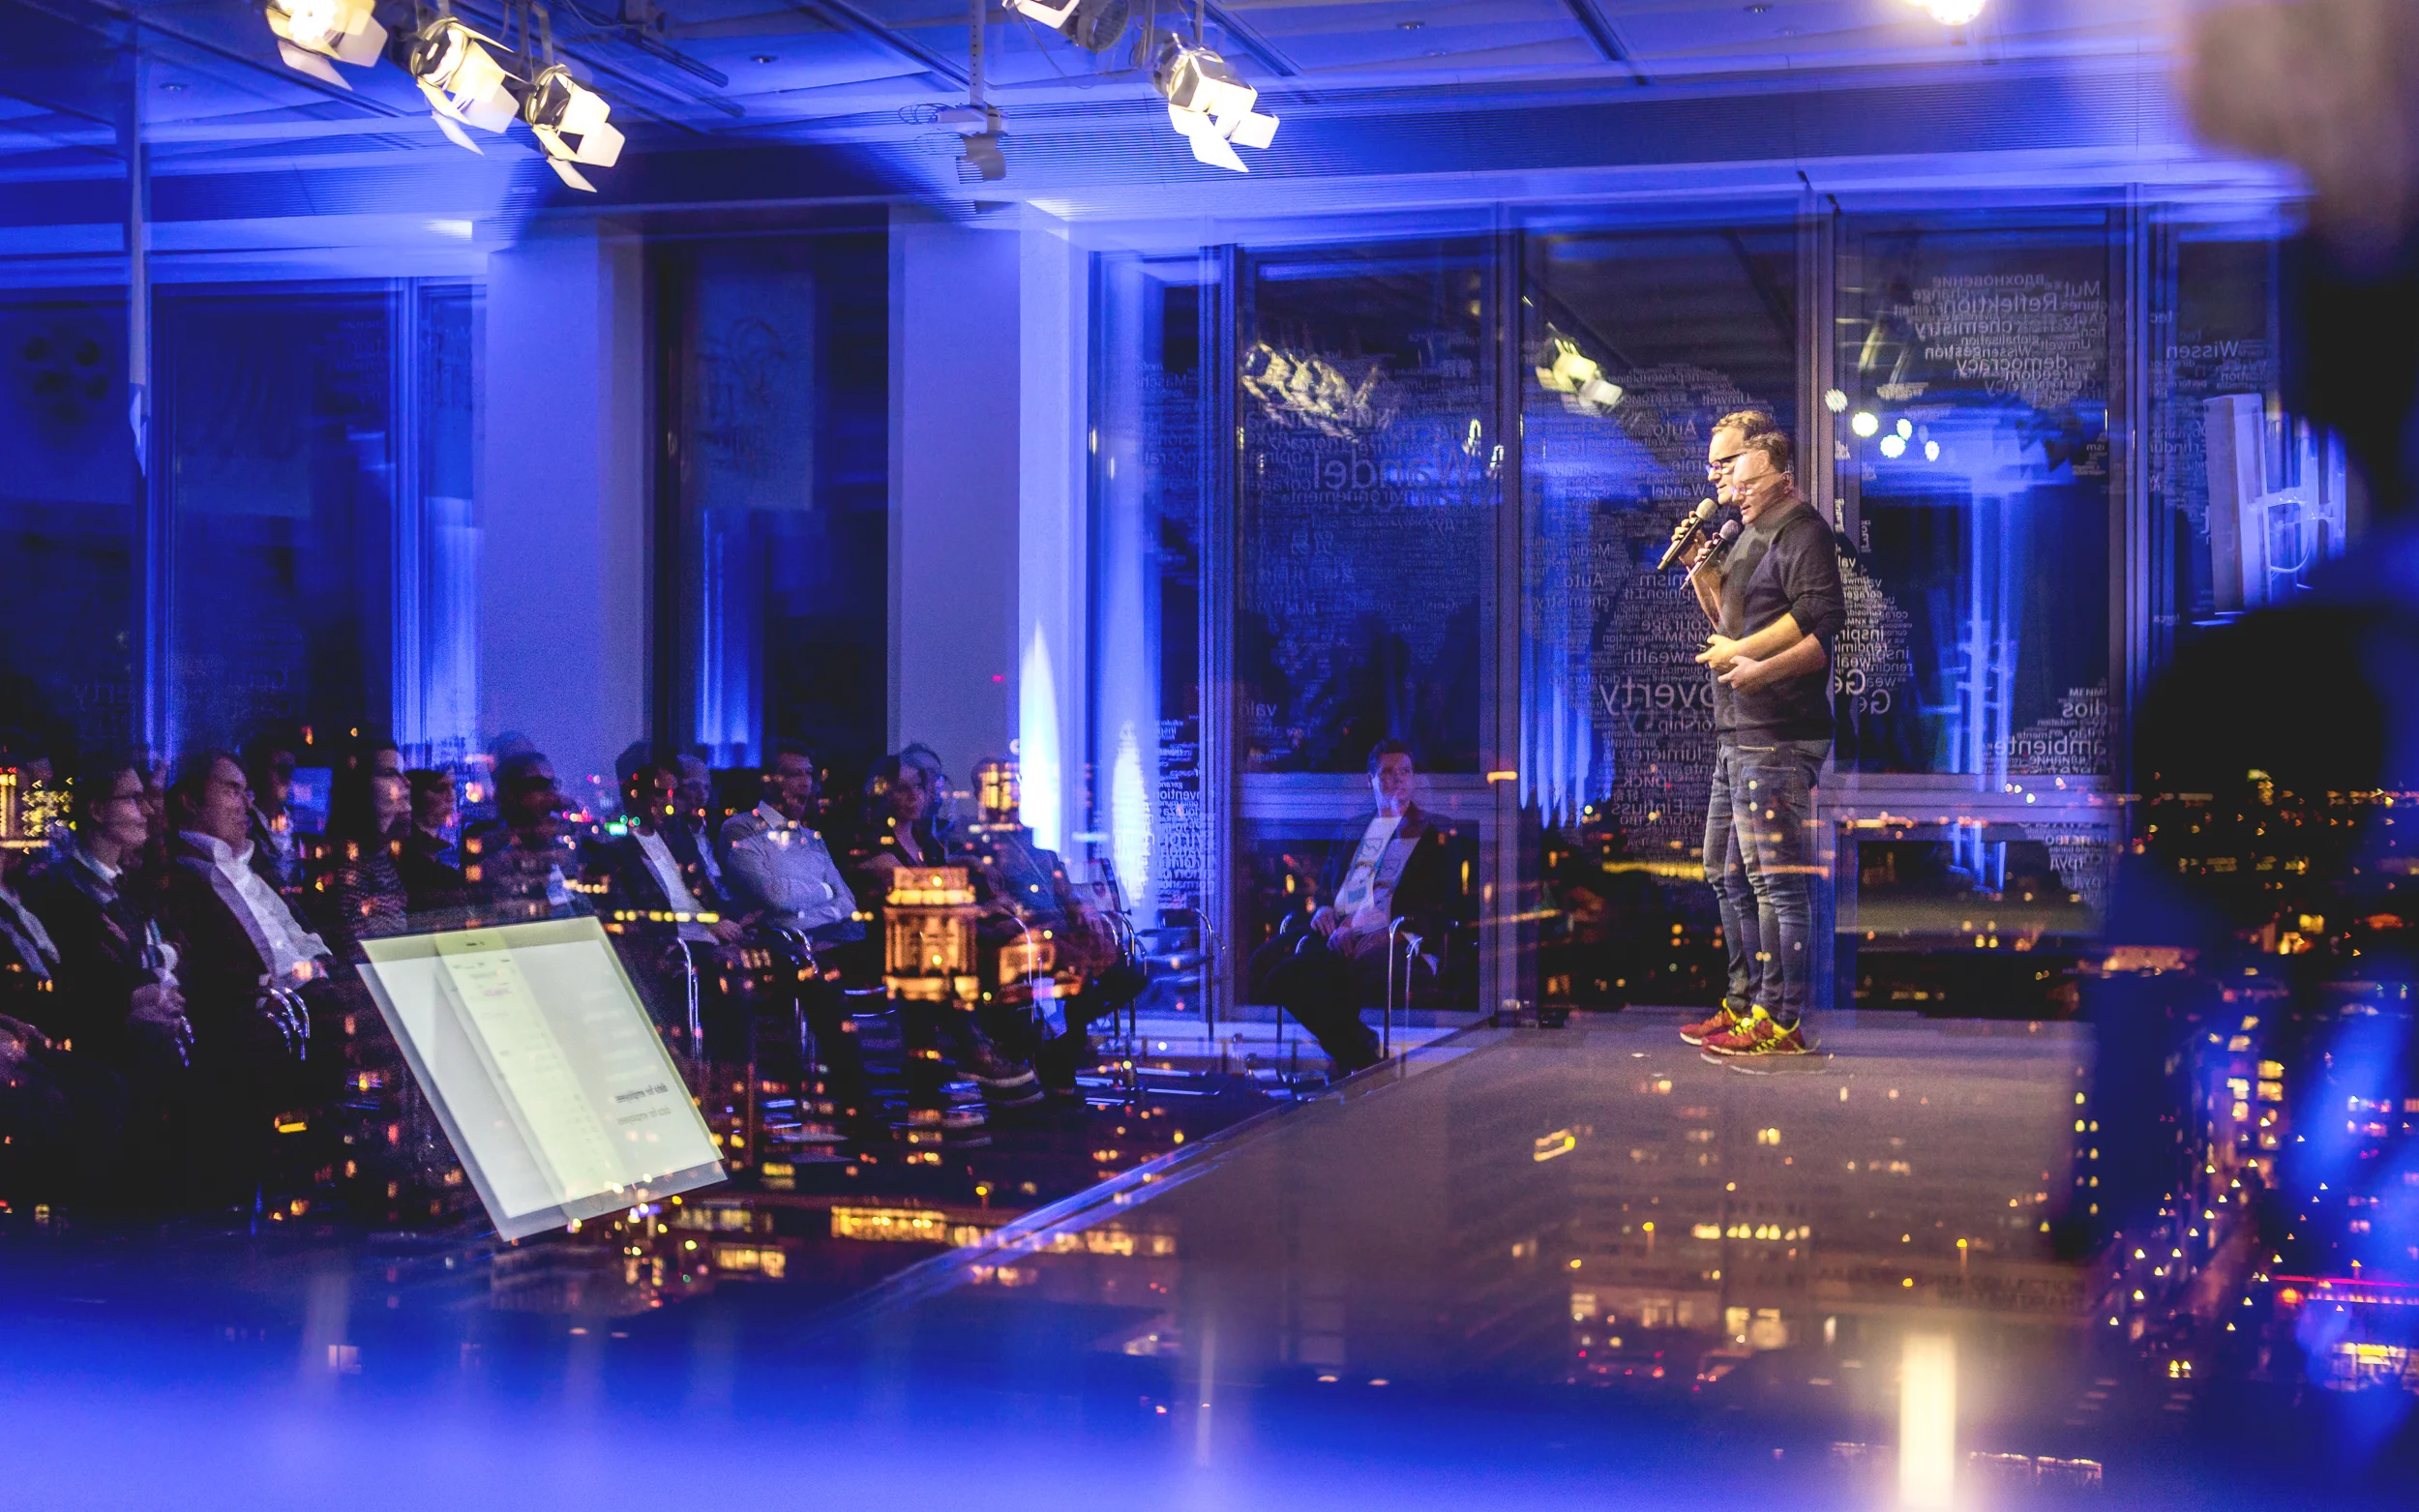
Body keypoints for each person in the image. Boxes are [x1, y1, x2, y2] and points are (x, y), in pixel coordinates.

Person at [1677, 413, 1844, 1062]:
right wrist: (1699, 569)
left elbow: (1820, 621)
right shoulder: (1746, 532)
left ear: (1770, 463)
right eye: (1716, 468)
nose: (1720, 480)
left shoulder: (1802, 530)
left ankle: (1781, 1018)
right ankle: (1745, 1002)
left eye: (1729, 466)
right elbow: (1728, 623)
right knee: (1724, 872)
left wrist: (1753, 660)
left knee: (1776, 880)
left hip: (1777, 734)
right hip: (1739, 729)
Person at [157, 752, 338, 1197]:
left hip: (310, 989)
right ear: (191, 801)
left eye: (246, 791)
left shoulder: (253, 867)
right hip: (262, 1007)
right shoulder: (177, 877)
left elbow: (302, 932)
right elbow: (203, 968)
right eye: (230, 790)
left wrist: (322, 966)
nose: (246, 802)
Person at [1246, 740, 1472, 1077]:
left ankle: (1359, 1055)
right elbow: (1327, 887)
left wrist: (1382, 933)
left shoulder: (1432, 833)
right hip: (1341, 926)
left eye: (1405, 772)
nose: (1398, 779)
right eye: (1388, 772)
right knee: (1261, 962)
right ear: (1370, 780)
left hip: (1393, 934)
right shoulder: (1355, 829)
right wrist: (1323, 909)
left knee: (1288, 977)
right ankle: (1356, 1045)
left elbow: (1441, 904)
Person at [24, 756, 192, 1076]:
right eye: (133, 799)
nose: (148, 810)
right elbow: (101, 984)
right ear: (97, 810)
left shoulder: (128, 884)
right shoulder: (64, 893)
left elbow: (178, 947)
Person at [462, 751, 587, 922]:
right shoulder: (490, 863)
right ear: (508, 796)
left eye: (552, 786)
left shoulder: (565, 852)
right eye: (540, 786)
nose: (554, 797)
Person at [313, 760, 413, 957]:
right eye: (389, 773)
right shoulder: (351, 868)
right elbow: (357, 953)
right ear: (362, 787)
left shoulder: (382, 857)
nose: (406, 782)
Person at [241, 729, 305, 897]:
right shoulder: (242, 825)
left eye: (291, 771)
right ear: (257, 773)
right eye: (282, 770)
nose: (288, 779)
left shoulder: (296, 825)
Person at [397, 768, 467, 916]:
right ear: (415, 795)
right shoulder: (402, 848)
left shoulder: (434, 847)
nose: (451, 797)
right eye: (439, 789)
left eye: (452, 788)